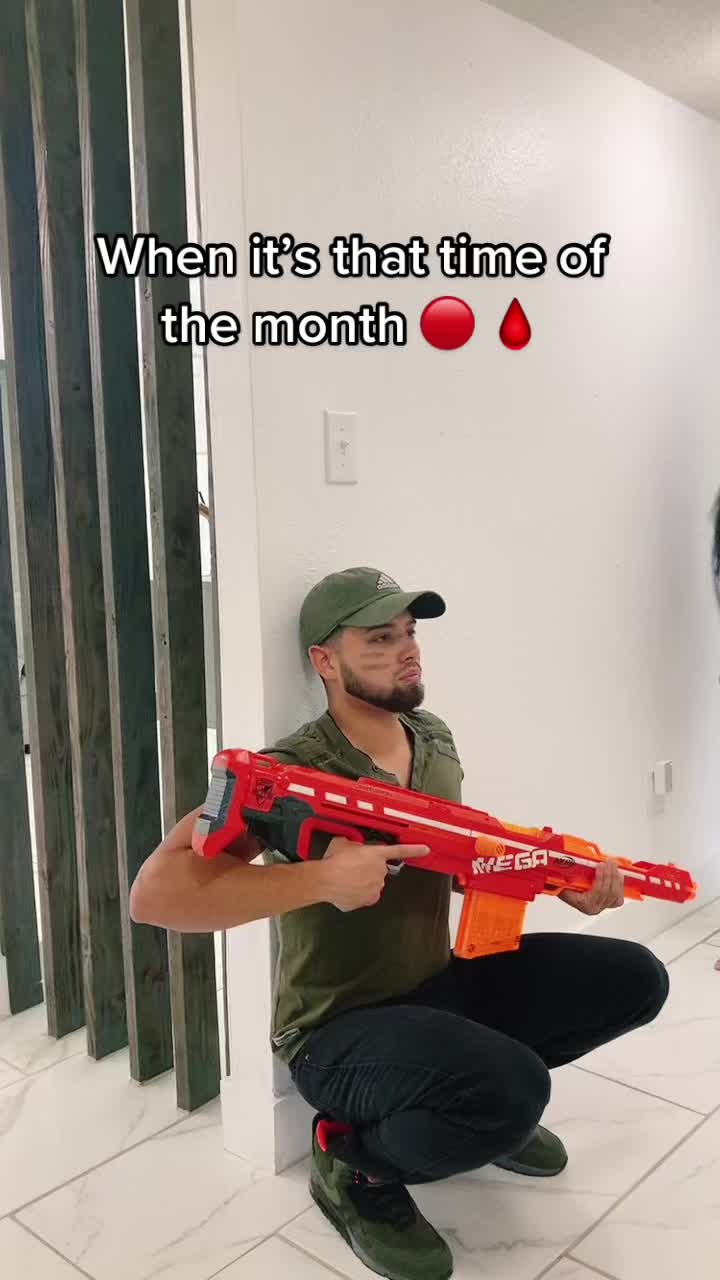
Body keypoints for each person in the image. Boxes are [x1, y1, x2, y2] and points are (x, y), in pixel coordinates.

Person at [130, 566, 669, 1280]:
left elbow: (452, 860)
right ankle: (355, 1165)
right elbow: (155, 895)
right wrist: (321, 879)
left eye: (410, 633)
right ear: (325, 661)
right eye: (379, 639)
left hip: (437, 984)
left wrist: (552, 878)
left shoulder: (433, 739)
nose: (407, 650)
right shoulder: (292, 770)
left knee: (636, 979)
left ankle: (472, 1108)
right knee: (513, 1090)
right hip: (335, 1030)